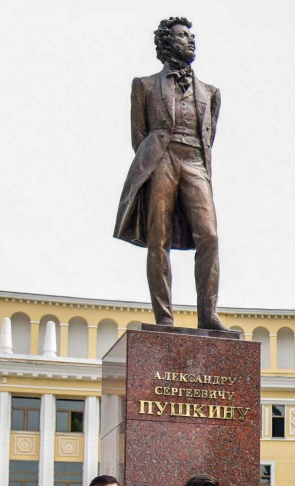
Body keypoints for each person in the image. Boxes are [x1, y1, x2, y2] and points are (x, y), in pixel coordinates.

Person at [114, 17, 226, 331]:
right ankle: (164, 316)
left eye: (192, 36)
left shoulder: (211, 93)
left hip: (194, 162)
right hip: (161, 157)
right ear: (167, 43)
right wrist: (159, 156)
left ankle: (209, 315)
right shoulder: (144, 85)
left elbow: (209, 137)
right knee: (158, 237)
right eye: (182, 36)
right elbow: (139, 136)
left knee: (210, 236)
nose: (191, 41)